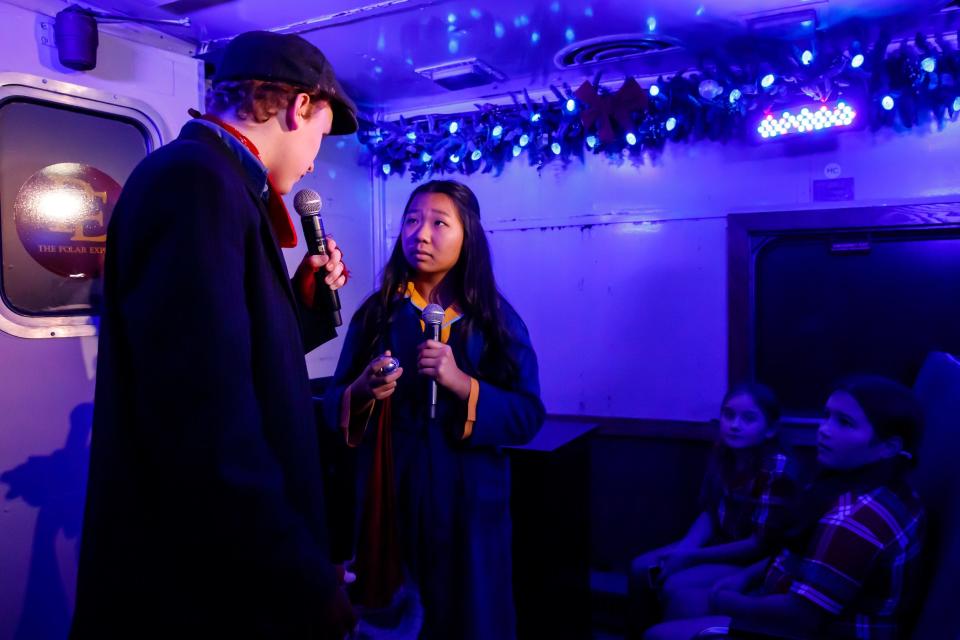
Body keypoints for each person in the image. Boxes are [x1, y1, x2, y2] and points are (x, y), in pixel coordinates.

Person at [72, 31, 359, 638]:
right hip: (200, 585)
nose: (315, 160)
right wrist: (300, 575)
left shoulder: (215, 181)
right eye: (320, 137)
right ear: (298, 107)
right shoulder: (196, 182)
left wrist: (300, 308)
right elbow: (203, 417)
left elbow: (225, 355)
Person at [323, 179, 545, 639]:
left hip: (469, 512)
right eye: (411, 220)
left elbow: (528, 415)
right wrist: (363, 389)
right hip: (392, 504)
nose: (420, 234)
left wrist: (463, 384)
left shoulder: (496, 322)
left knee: (470, 620)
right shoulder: (377, 315)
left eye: (439, 223)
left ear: (469, 238)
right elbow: (332, 407)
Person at [644, 375, 927, 640]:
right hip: (782, 590)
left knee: (661, 631)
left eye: (845, 423)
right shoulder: (846, 483)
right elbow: (791, 552)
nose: (824, 430)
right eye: (826, 416)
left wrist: (728, 600)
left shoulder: (854, 518)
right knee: (679, 596)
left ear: (888, 447)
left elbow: (801, 617)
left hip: (820, 631)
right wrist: (744, 576)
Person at [627, 384, 798, 636]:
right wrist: (685, 547)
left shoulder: (777, 469)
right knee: (641, 568)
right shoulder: (724, 452)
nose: (735, 425)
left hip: (752, 560)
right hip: (719, 543)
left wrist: (691, 557)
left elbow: (758, 545)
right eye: (728, 415)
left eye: (748, 418)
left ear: (770, 430)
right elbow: (710, 511)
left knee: (676, 585)